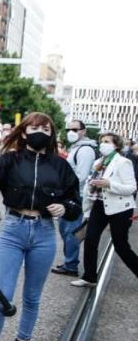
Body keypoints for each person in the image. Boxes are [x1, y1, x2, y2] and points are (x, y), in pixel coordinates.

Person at [0, 113, 81, 341]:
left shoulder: (60, 166)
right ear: (23, 132)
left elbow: (75, 203)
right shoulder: (10, 159)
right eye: (33, 127)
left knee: (32, 297)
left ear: (51, 133)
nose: (39, 131)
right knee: (3, 295)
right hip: (13, 229)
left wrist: (64, 207)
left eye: (45, 128)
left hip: (44, 232)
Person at [71, 132, 138, 286]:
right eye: (102, 141)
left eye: (107, 141)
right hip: (99, 205)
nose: (103, 144)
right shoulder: (99, 162)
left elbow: (131, 188)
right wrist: (87, 209)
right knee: (90, 239)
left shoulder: (123, 162)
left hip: (120, 208)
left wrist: (109, 184)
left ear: (116, 145)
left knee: (121, 245)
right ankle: (89, 277)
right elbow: (91, 185)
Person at [51, 119, 98, 277]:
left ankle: (71, 265)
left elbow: (81, 177)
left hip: (74, 197)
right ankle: (69, 262)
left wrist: (66, 195)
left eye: (75, 129)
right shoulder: (77, 148)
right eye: (69, 129)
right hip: (70, 195)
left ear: (83, 131)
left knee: (71, 231)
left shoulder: (85, 150)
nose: (71, 132)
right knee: (66, 230)